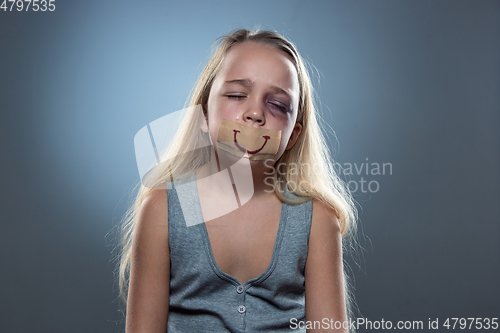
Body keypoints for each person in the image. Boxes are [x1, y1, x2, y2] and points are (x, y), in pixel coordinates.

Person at [118, 29, 358, 332]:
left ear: (294, 135)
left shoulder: (316, 219)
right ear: (203, 115)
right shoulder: (164, 209)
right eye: (235, 95)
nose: (255, 113)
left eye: (278, 105)